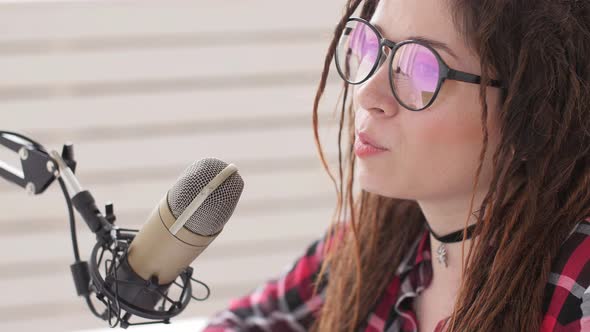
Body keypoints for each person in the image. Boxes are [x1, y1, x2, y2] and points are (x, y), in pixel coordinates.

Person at [203, 0, 590, 330]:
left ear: (536, 118)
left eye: (421, 70)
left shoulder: (577, 283)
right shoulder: (375, 245)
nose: (368, 93)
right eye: (369, 46)